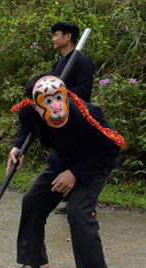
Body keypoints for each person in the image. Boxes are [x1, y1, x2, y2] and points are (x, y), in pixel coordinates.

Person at [7, 74, 123, 268]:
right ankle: (36, 261)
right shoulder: (29, 111)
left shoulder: (86, 113)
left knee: (78, 211)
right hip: (64, 159)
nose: (57, 107)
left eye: (59, 98)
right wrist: (17, 148)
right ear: (35, 104)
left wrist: (75, 174)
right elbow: (26, 130)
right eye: (47, 102)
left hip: (94, 162)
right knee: (32, 201)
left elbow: (110, 147)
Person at [51, 21, 96, 214]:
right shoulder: (59, 63)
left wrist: (63, 94)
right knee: (66, 157)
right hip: (62, 119)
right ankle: (70, 199)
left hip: (78, 118)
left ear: (68, 37)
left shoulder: (81, 61)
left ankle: (88, 204)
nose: (53, 39)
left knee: (80, 158)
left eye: (56, 35)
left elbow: (85, 91)